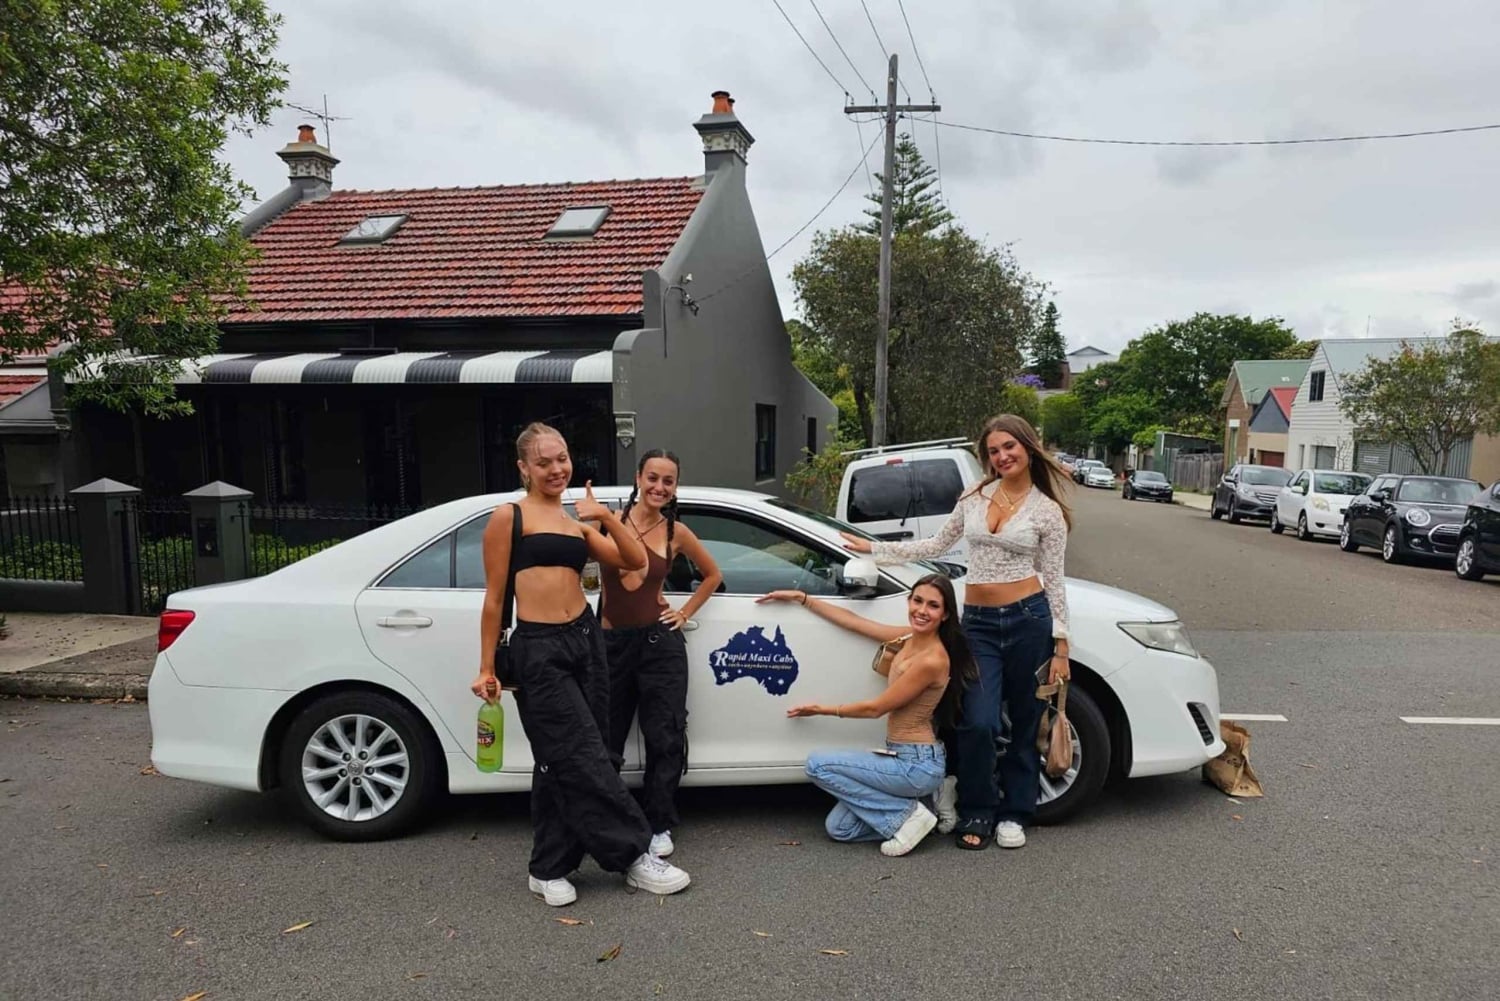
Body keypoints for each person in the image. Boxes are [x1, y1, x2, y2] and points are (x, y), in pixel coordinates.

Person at [472, 422, 691, 906]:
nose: (556, 469)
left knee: (562, 759)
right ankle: (634, 854)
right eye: (544, 461)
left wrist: (605, 518)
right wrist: (487, 667)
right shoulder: (509, 517)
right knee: (582, 753)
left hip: (586, 642)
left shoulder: (575, 523)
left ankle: (549, 866)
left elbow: (633, 560)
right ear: (523, 468)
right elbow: (493, 601)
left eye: (562, 458)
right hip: (540, 648)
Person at [841, 414, 1073, 851]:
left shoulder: (1048, 511)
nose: (1002, 456)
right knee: (979, 722)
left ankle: (1014, 813)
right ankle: (978, 809)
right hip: (980, 626)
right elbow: (934, 545)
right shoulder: (974, 496)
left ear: (1027, 447)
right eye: (994, 450)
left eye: (1010, 447)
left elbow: (1055, 579)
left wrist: (1061, 644)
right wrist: (873, 547)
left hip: (1029, 619)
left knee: (1024, 722)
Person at [757, 574, 977, 857]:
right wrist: (802, 598)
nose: (922, 610)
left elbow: (876, 709)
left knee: (817, 765)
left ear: (945, 614)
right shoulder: (909, 638)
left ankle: (909, 815)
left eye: (933, 606)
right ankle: (929, 806)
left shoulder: (932, 660)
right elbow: (854, 622)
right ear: (909, 601)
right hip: (900, 757)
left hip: (916, 764)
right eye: (917, 601)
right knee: (840, 829)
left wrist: (821, 710)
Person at [600, 450, 723, 858]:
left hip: (659, 645)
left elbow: (713, 575)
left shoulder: (677, 532)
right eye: (652, 477)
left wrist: (684, 611)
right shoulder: (609, 522)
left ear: (675, 487)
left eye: (668, 481)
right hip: (612, 645)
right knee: (606, 736)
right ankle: (607, 817)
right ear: (638, 477)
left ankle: (659, 823)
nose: (659, 487)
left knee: (665, 736)